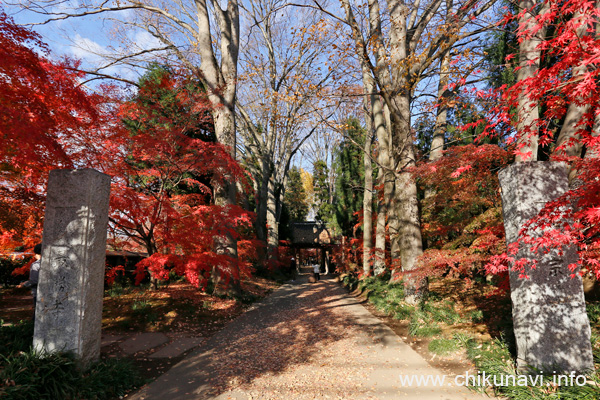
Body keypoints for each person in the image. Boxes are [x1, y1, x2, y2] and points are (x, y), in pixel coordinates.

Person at [19, 243, 42, 319]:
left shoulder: (36, 265)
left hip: (39, 293)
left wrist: (24, 284)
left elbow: (34, 281)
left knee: (37, 316)